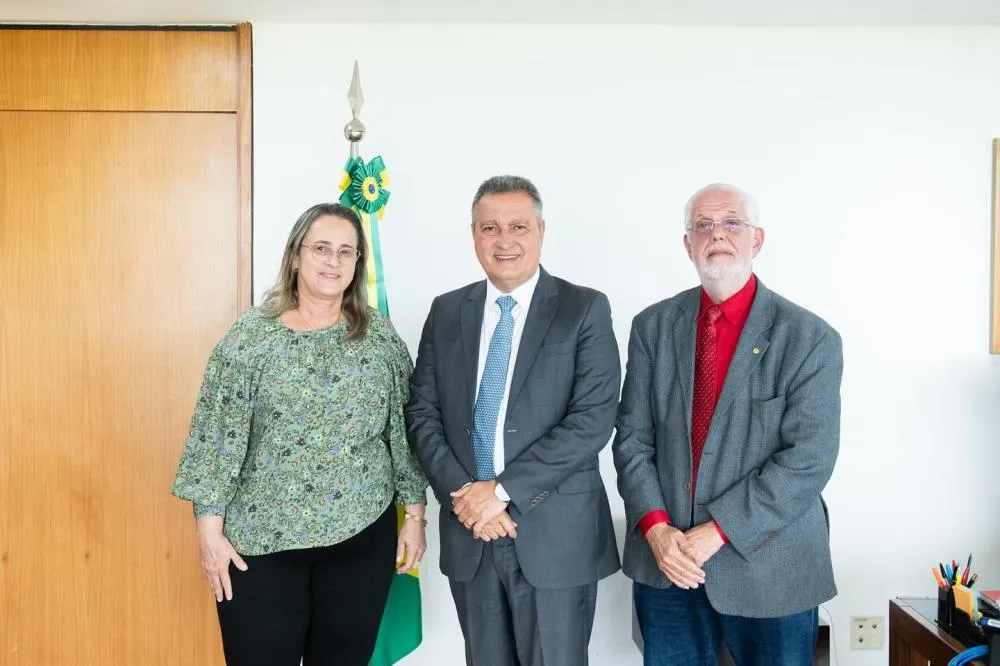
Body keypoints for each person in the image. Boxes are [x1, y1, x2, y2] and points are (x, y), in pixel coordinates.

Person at [170, 202, 428, 666]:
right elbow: (216, 436)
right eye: (322, 249)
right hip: (260, 546)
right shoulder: (251, 339)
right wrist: (208, 533)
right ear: (295, 256)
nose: (334, 262)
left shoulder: (380, 338)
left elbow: (403, 432)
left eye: (346, 252)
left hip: (360, 539)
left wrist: (414, 515)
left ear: (357, 264)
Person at [613, 183, 843, 666]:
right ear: (688, 245)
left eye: (731, 223)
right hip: (668, 566)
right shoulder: (652, 327)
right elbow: (633, 440)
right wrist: (656, 529)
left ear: (756, 240)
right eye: (703, 225)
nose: (717, 234)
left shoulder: (809, 338)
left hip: (770, 570)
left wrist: (716, 531)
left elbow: (808, 459)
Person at [406, 175, 621, 666]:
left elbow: (591, 420)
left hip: (555, 535)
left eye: (518, 226)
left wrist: (498, 493)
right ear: (474, 235)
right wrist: (465, 496)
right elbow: (422, 412)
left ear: (541, 231)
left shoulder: (583, 308)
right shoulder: (445, 312)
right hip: (471, 534)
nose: (504, 241)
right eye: (489, 228)